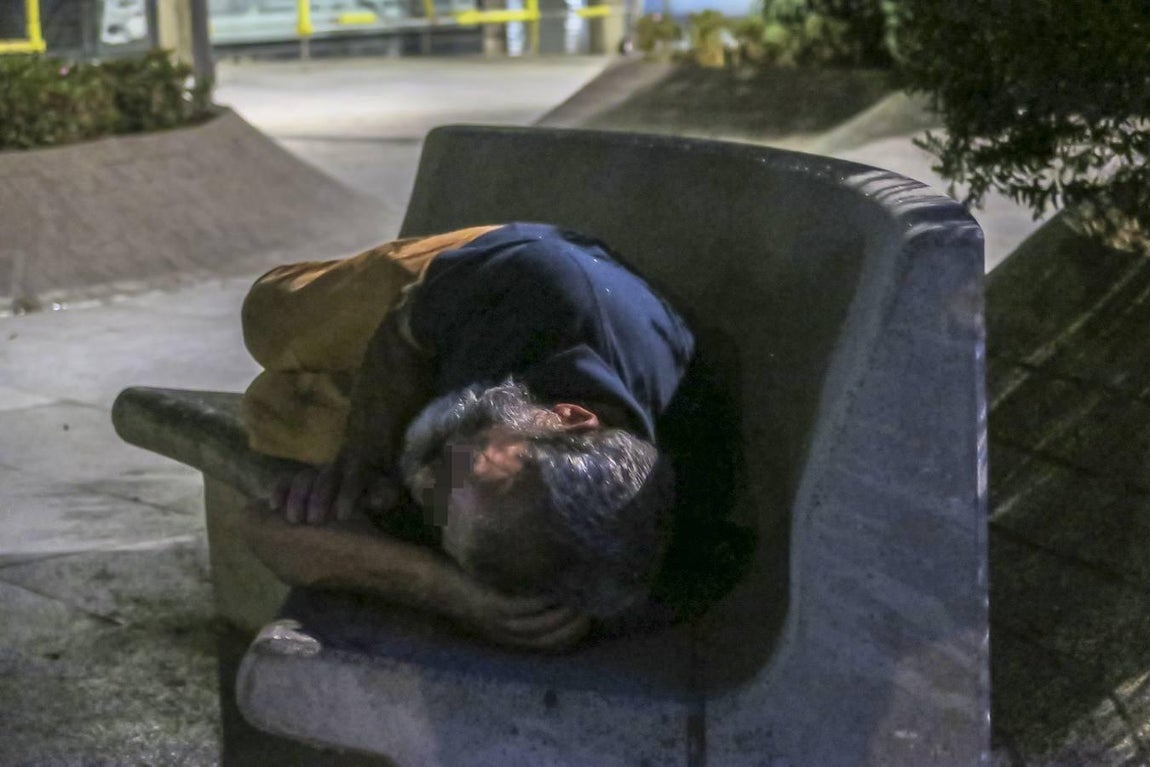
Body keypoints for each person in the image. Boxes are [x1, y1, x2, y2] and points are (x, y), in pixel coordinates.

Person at [238, 222, 737, 652]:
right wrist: (363, 453)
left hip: (489, 383)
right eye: (466, 453)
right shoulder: (542, 289)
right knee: (270, 320)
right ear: (568, 417)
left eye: (439, 504)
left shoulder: (512, 531)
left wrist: (448, 590)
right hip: (472, 282)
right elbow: (402, 331)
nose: (423, 480)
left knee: (274, 415)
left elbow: (266, 527)